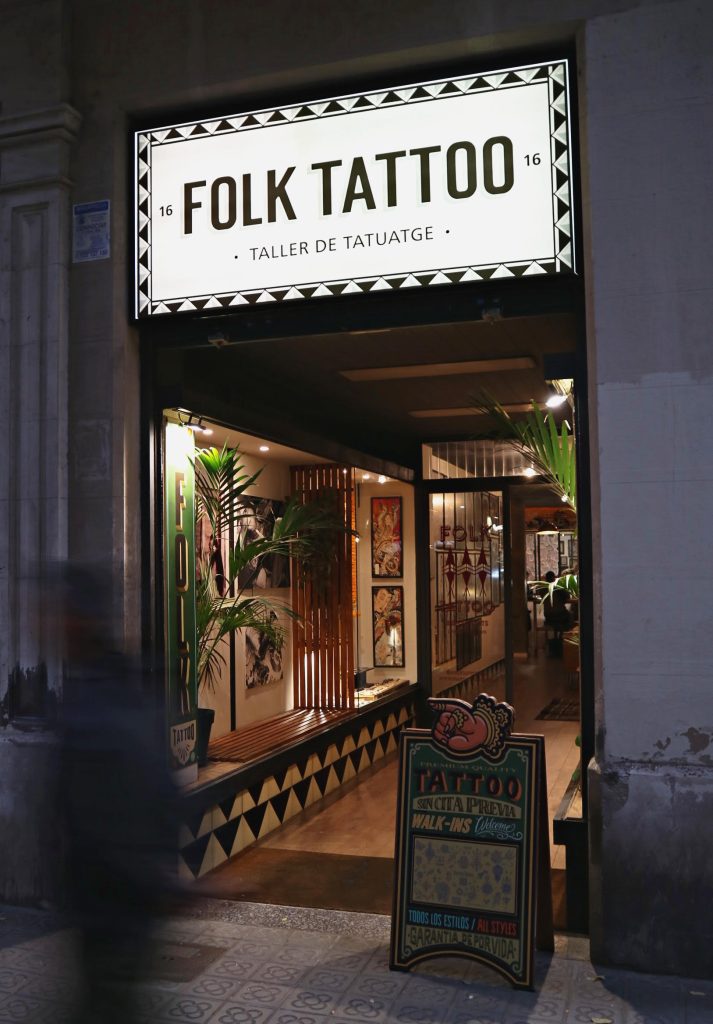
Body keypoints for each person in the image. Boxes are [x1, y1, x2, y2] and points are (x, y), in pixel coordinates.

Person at [52, 563, 181, 1023]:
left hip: (116, 900)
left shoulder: (109, 696)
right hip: (102, 899)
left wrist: (156, 876)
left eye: (59, 613)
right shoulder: (97, 686)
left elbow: (141, 790)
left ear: (79, 618)